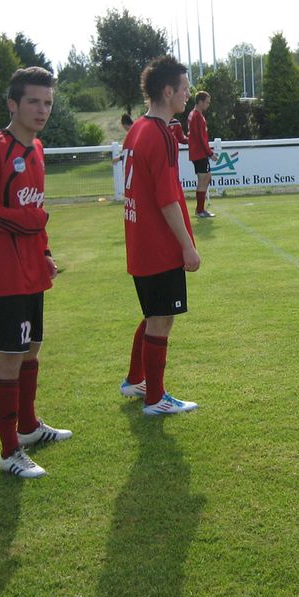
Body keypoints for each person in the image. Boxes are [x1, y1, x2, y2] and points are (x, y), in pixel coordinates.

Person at [0, 67, 71, 479]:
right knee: (8, 357)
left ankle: (27, 428)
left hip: (29, 269)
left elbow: (34, 213)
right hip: (1, 272)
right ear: (13, 104)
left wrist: (43, 250)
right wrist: (28, 223)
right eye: (33, 102)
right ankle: (10, 453)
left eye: (47, 102)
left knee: (32, 348)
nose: (42, 109)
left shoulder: (38, 149)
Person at [118, 55, 200, 415]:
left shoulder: (137, 128)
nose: (187, 94)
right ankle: (155, 398)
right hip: (158, 244)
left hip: (140, 241)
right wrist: (187, 247)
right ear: (167, 91)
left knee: (153, 313)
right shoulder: (161, 135)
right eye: (183, 89)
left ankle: (136, 380)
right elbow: (166, 199)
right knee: (161, 319)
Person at [187, 91, 216, 219]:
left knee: (206, 178)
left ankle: (200, 209)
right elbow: (200, 138)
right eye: (207, 102)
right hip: (199, 153)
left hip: (198, 153)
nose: (208, 105)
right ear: (200, 102)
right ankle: (200, 210)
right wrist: (210, 153)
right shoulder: (197, 116)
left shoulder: (195, 115)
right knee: (204, 180)